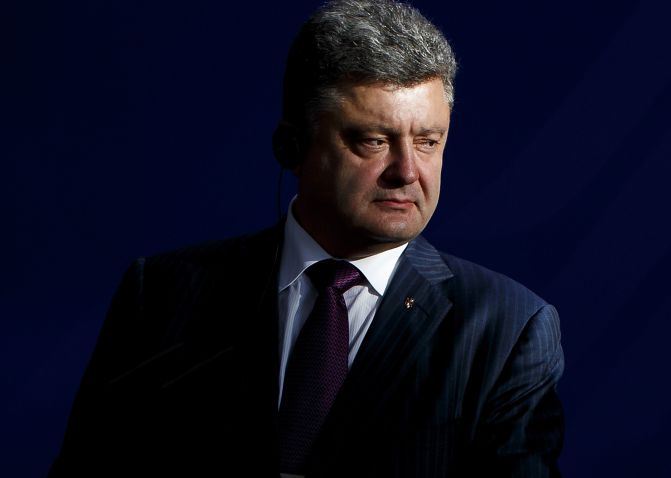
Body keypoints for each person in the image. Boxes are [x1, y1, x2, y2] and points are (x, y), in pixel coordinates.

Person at [49, 1, 564, 476]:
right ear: (292, 146)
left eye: (429, 142)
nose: (408, 171)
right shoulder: (161, 296)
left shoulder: (508, 327)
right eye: (374, 141)